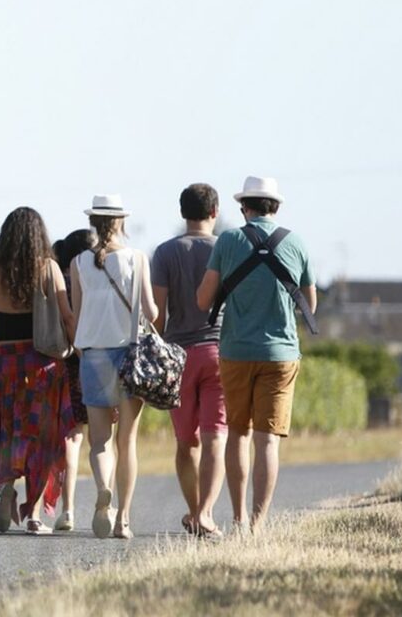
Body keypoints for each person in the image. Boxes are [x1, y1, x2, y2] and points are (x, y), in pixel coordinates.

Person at [197, 176, 316, 532]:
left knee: (238, 433)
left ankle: (236, 517)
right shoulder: (296, 242)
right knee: (267, 440)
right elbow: (309, 305)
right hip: (281, 354)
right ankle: (258, 522)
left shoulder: (230, 240)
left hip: (235, 350)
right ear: (275, 207)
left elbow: (204, 300)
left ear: (244, 207)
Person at [0, 207, 75, 535]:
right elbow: (67, 316)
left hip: (5, 360)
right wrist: (74, 348)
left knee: (8, 430)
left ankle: (7, 487)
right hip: (41, 362)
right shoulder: (49, 268)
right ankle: (33, 516)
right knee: (41, 437)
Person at [70, 194, 158, 540]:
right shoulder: (137, 259)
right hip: (130, 355)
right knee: (128, 440)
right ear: (121, 222)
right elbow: (151, 312)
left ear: (93, 223)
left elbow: (77, 318)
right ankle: (122, 518)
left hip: (92, 355)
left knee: (100, 440)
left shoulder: (78, 262)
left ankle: (102, 489)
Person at [151, 183, 227, 539]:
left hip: (178, 355)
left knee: (186, 442)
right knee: (216, 439)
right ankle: (207, 513)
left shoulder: (165, 253)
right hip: (218, 351)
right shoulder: (226, 250)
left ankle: (195, 509)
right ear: (215, 212)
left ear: (183, 213)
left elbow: (157, 314)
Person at [51, 229, 96, 532]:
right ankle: (105, 503)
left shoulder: (53, 280)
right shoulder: (89, 280)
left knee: (69, 437)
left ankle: (66, 509)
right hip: (86, 360)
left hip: (55, 364)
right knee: (102, 438)